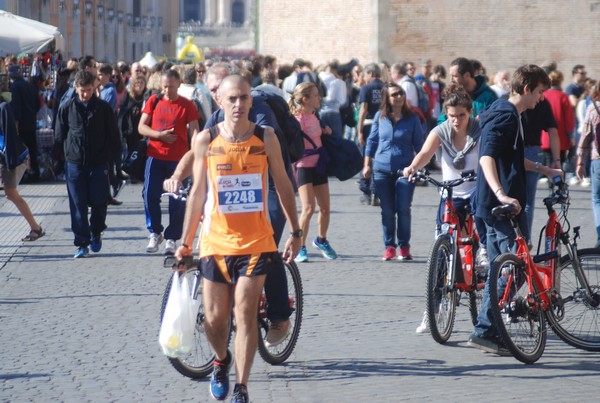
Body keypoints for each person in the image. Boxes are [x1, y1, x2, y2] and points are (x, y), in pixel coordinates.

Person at [175, 75, 301, 403]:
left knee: (244, 313)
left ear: (250, 100)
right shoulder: (206, 140)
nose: (238, 104)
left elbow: (284, 184)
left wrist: (297, 230)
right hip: (215, 242)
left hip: (256, 241)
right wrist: (185, 242)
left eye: (244, 98)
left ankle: (242, 387)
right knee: (215, 321)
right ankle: (221, 360)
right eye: (232, 98)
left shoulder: (266, 138)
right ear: (219, 101)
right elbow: (198, 193)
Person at [467, 64, 562, 355]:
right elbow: (487, 157)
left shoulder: (508, 112)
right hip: (498, 207)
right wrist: (501, 194)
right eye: (539, 93)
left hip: (498, 204)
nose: (541, 99)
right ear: (526, 89)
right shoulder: (506, 115)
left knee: (503, 266)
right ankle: (486, 329)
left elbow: (511, 158)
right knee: (516, 267)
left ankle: (487, 331)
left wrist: (542, 167)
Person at [402, 85, 487, 333]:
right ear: (446, 115)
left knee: (481, 209)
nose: (457, 121)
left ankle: (482, 250)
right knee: (441, 253)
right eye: (452, 116)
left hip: (474, 192)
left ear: (470, 113)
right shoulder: (440, 131)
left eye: (462, 115)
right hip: (450, 193)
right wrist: (412, 168)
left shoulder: (480, 131)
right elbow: (425, 153)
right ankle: (432, 312)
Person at [55, 70, 121, 258]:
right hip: (75, 163)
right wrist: (60, 160)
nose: (85, 94)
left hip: (98, 163)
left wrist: (113, 164)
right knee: (78, 204)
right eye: (82, 90)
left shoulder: (103, 109)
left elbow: (114, 137)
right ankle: (82, 242)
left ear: (95, 88)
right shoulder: (67, 107)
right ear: (76, 88)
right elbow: (60, 135)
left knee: (100, 202)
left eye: (89, 90)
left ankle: (96, 231)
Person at [138, 69, 200, 255]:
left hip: (178, 159)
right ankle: (155, 232)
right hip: (155, 155)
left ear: (179, 84)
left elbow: (195, 131)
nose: (167, 90)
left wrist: (196, 151)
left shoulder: (187, 105)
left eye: (171, 87)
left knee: (177, 199)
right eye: (164, 86)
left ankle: (172, 237)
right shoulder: (154, 101)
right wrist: (158, 135)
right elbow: (142, 127)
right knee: (149, 194)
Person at [363, 83, 424, 260]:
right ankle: (389, 246)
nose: (398, 96)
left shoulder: (412, 119)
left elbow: (420, 145)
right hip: (381, 169)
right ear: (387, 98)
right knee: (387, 210)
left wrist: (419, 166)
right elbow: (372, 141)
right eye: (394, 94)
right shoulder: (380, 117)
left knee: (403, 208)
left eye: (401, 93)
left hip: (405, 170)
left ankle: (404, 246)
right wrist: (366, 164)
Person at [288, 82, 338, 263]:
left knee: (325, 207)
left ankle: (321, 240)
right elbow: (291, 144)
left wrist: (326, 131)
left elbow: (319, 134)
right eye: (316, 95)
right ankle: (300, 246)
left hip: (319, 164)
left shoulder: (316, 115)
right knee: (308, 208)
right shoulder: (296, 120)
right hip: (303, 166)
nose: (320, 98)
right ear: (305, 99)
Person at [0, 95, 45, 241]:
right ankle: (35, 227)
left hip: (7, 158)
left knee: (11, 193)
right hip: (5, 157)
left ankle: (35, 227)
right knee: (10, 194)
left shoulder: (3, 107)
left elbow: (10, 135)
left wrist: (10, 162)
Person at [576, 81, 600, 248]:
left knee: (597, 199)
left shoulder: (593, 108)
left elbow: (585, 137)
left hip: (597, 159)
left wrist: (579, 161)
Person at [357, 63, 385, 204]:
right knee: (379, 159)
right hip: (385, 125)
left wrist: (359, 130)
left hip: (369, 126)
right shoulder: (386, 87)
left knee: (367, 158)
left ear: (370, 73)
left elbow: (363, 109)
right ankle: (377, 191)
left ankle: (366, 190)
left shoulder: (366, 88)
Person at [439, 57, 497, 123]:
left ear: (467, 75)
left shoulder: (489, 96)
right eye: (450, 76)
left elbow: (493, 122)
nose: (451, 80)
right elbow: (441, 121)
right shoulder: (452, 94)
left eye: (455, 76)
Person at [8, 65, 41, 182]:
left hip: (22, 124)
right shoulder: (30, 86)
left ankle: (24, 174)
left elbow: (17, 106)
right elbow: (38, 104)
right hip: (31, 122)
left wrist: (16, 122)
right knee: (32, 148)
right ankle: (35, 173)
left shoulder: (16, 86)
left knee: (21, 150)